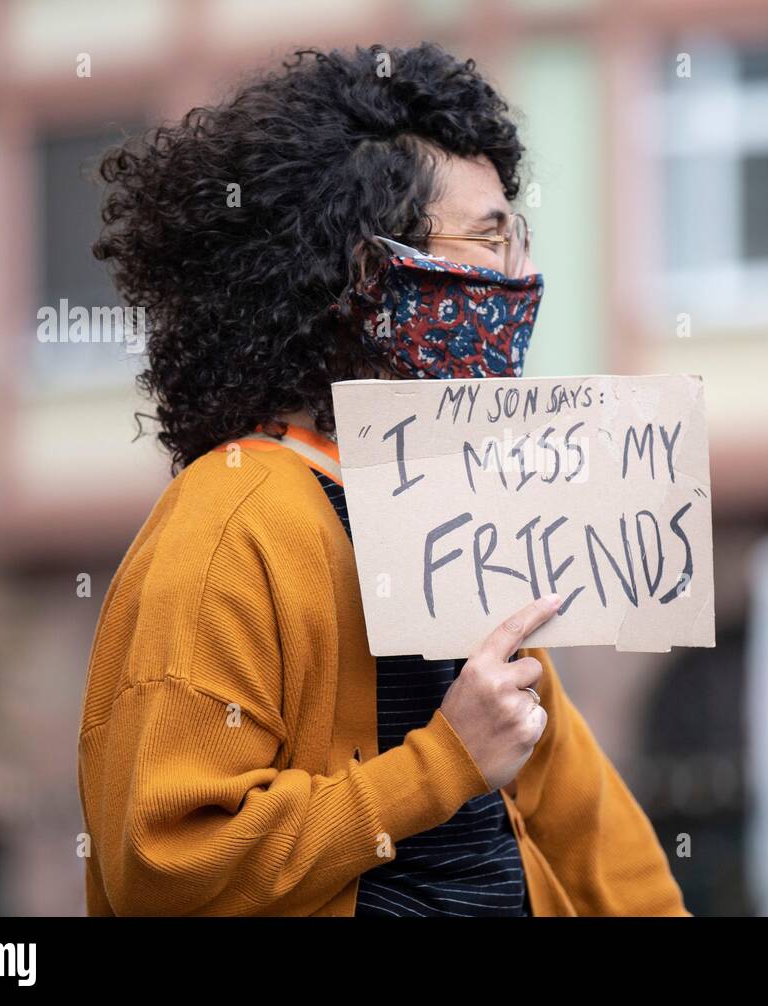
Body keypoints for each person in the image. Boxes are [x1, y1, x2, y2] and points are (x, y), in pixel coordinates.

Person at [77, 41, 689, 917]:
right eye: (488, 238)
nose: (518, 277)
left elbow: (595, 840)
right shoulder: (225, 525)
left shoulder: (456, 508)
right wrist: (442, 764)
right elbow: (167, 866)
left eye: (515, 239)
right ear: (370, 271)